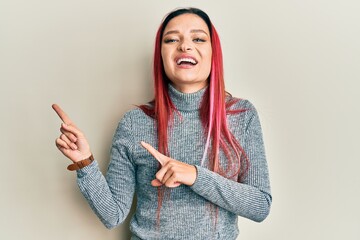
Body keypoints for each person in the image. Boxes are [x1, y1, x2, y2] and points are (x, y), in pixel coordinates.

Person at [53, 7, 272, 240]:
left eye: (198, 38)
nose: (185, 46)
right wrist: (84, 163)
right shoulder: (134, 123)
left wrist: (195, 176)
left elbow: (260, 205)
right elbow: (113, 214)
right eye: (171, 39)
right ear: (161, 55)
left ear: (213, 53)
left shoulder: (241, 115)